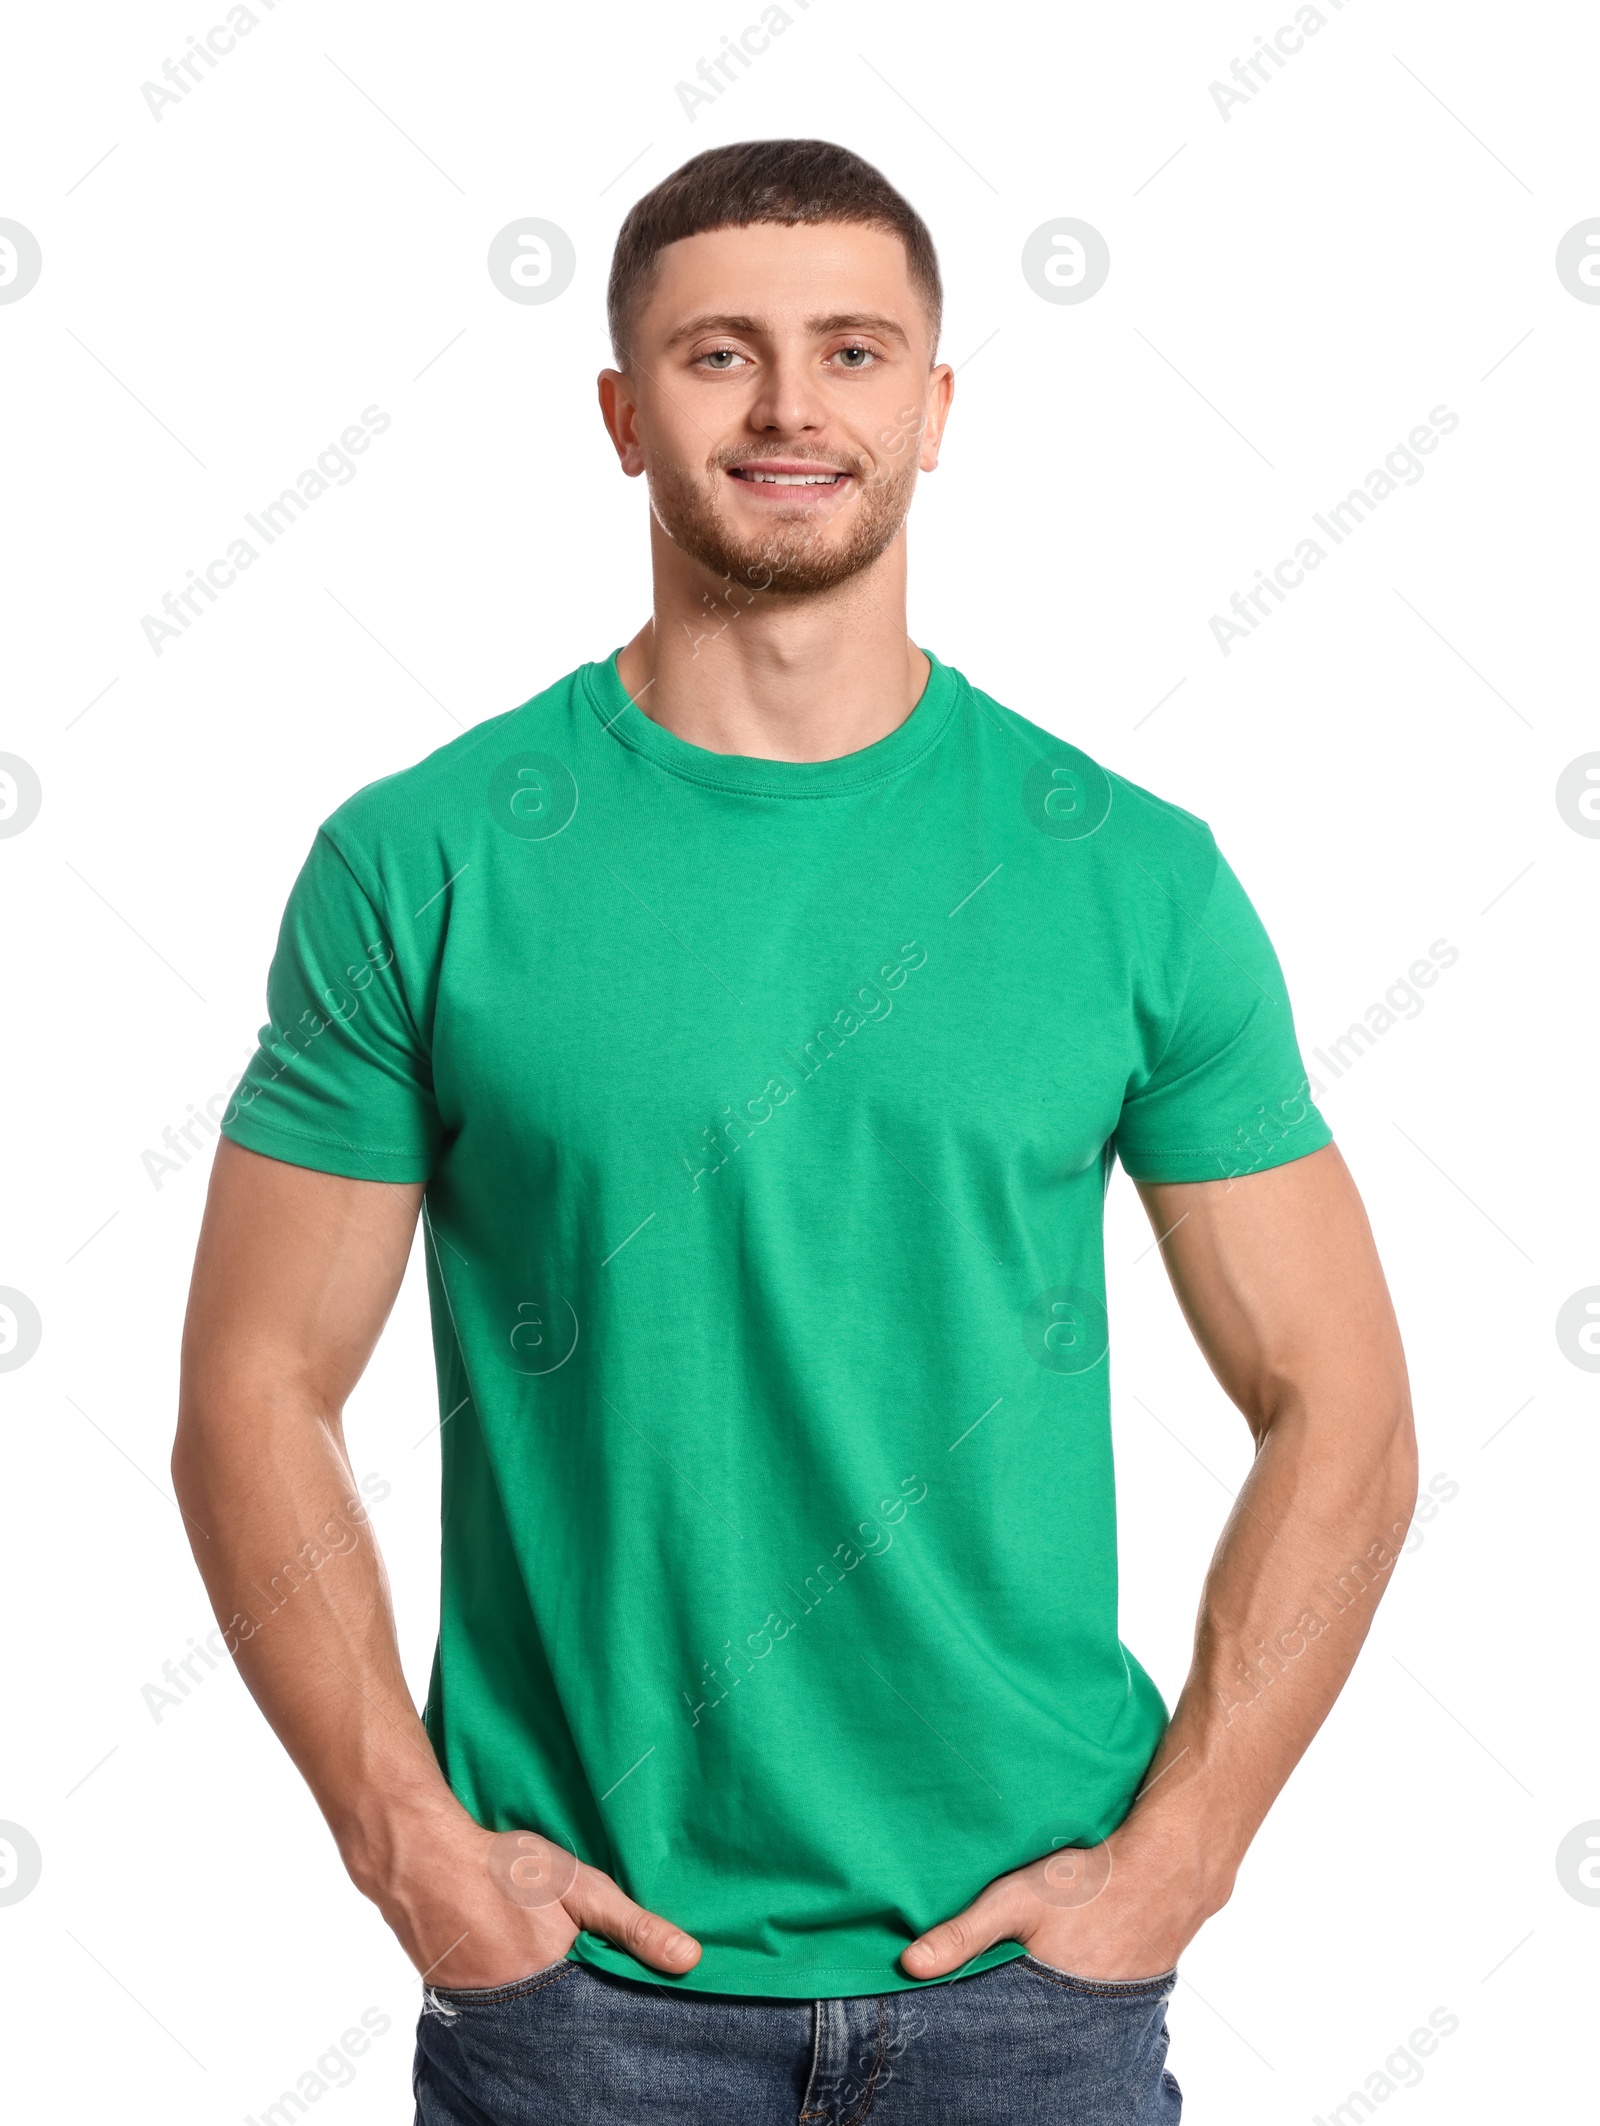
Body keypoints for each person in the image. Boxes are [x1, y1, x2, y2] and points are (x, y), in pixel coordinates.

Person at [173, 138, 1417, 2125]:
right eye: (716, 355)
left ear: (933, 410)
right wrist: (411, 1852)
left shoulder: (1125, 878)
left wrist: (1182, 1852)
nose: (785, 410)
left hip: (1026, 1993)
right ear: (618, 412)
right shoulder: (422, 864)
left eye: (851, 352)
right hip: (581, 2001)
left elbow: (1336, 1396)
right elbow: (251, 1384)